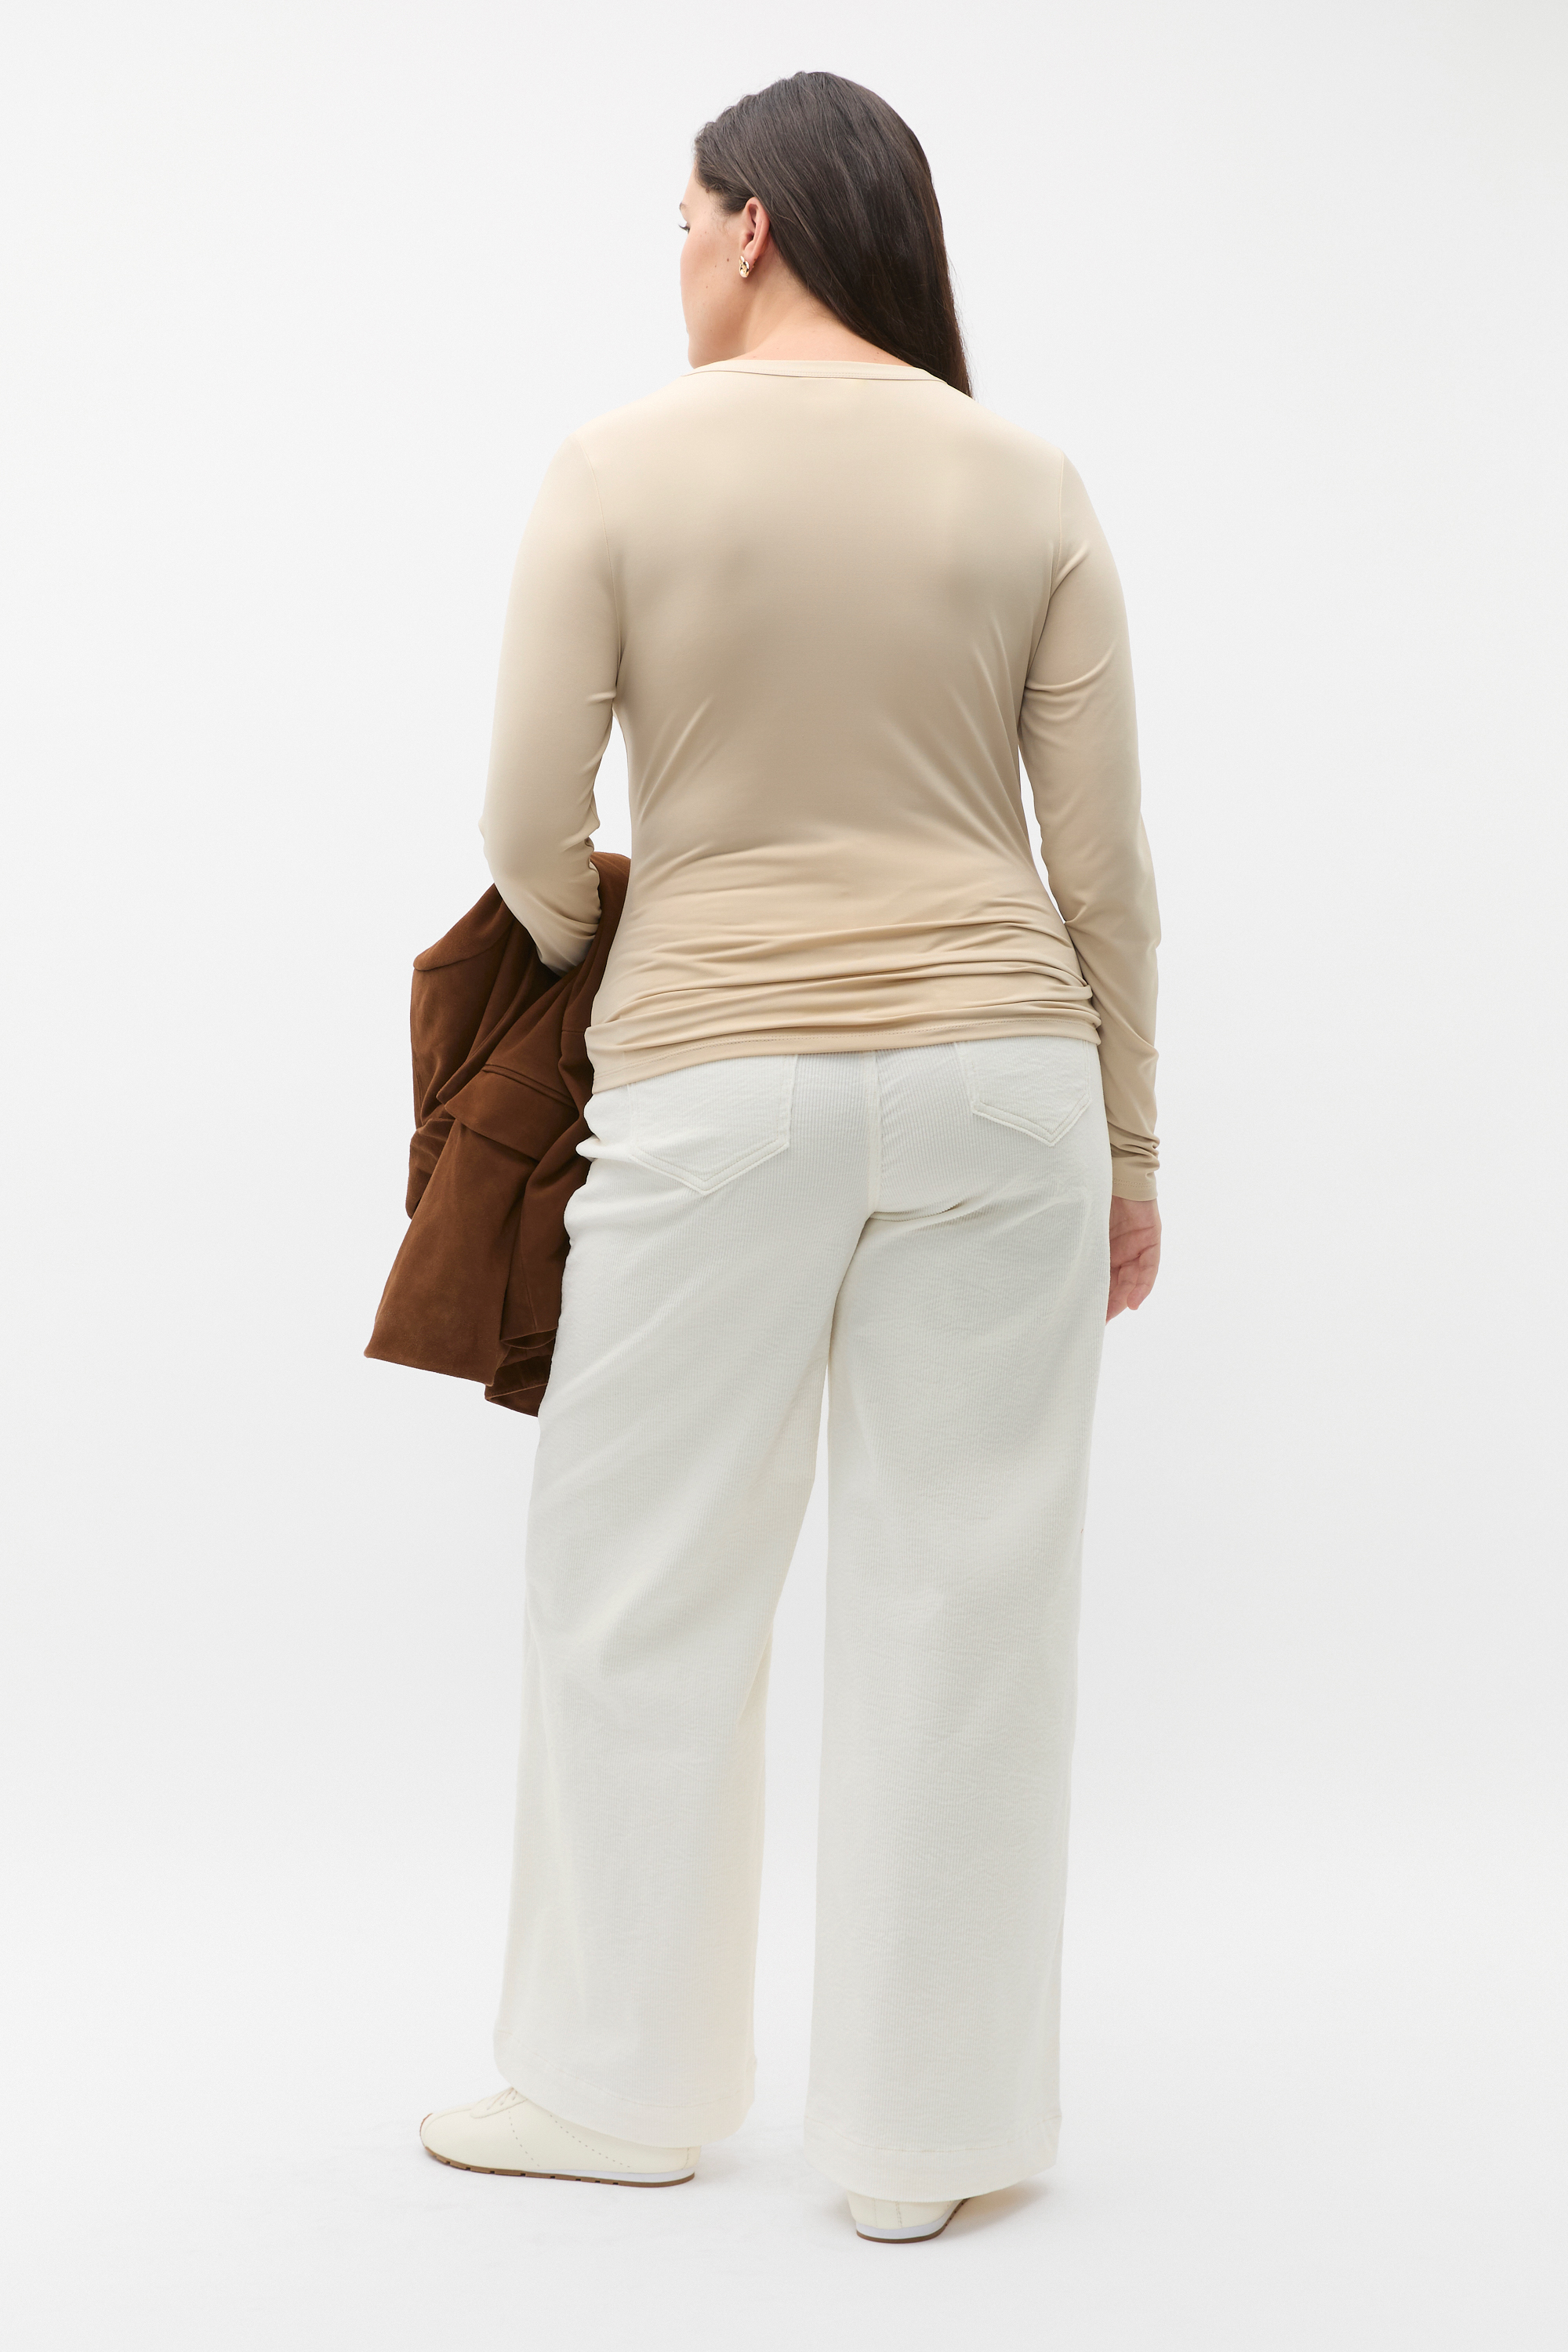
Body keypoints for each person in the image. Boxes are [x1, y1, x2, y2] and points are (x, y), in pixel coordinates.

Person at [417, 69, 1161, 2245]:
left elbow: (524, 820)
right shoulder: (1029, 480)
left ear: (754, 225)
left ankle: (612, 2090)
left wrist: (605, 953)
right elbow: (1106, 873)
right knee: (969, 1604)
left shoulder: (618, 468)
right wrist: (1129, 1144)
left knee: (639, 1583)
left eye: (680, 220)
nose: (674, 260)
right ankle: (925, 2153)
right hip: (1006, 1087)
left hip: (711, 1089)